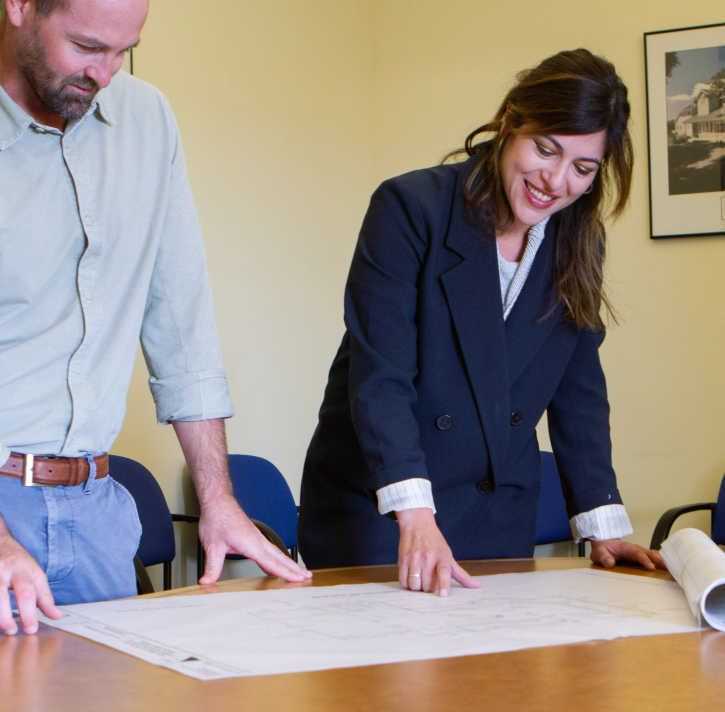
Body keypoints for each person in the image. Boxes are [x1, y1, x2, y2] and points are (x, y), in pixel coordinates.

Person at [298, 48, 664, 596]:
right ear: (512, 119)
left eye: (582, 168)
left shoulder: (577, 240)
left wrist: (600, 524)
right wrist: (416, 515)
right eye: (546, 149)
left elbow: (578, 388)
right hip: (385, 511)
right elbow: (381, 376)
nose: (556, 181)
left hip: (497, 517)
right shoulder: (409, 208)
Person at [0, 0, 310, 637]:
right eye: (87, 47)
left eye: (125, 50)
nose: (107, 74)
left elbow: (180, 320)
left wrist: (218, 498)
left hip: (99, 513)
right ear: (20, 6)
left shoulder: (147, 120)